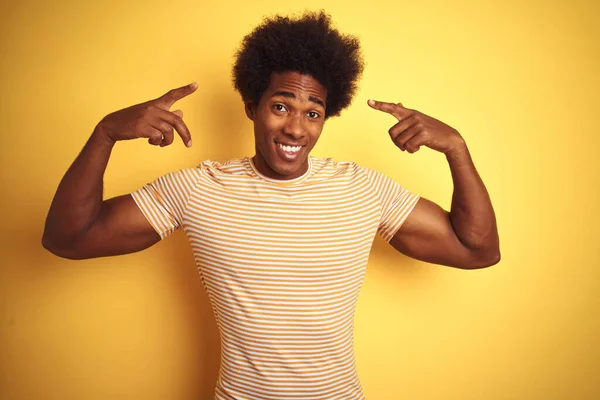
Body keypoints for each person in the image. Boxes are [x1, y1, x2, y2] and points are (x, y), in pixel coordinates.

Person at [42, 10, 500, 400]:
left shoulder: (363, 190)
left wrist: (456, 148)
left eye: (313, 112)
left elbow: (478, 250)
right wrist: (104, 134)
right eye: (281, 106)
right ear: (251, 105)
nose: (296, 129)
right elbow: (69, 238)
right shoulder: (199, 190)